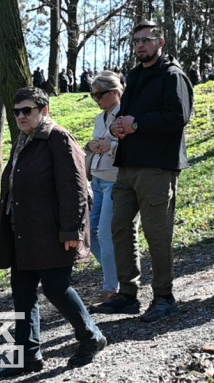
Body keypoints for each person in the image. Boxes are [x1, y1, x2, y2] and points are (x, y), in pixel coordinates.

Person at [0, 87, 105, 376]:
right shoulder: (23, 141)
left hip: (53, 232)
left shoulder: (57, 138)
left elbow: (76, 189)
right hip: (22, 234)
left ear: (44, 110)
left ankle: (90, 337)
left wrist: (71, 230)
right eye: (16, 111)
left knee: (56, 287)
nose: (20, 116)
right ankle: (28, 357)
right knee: (22, 294)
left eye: (27, 110)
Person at [92, 21, 194, 323]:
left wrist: (137, 124)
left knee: (157, 234)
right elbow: (124, 114)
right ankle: (127, 294)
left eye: (146, 40)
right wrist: (118, 125)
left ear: (160, 42)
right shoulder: (133, 77)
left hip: (158, 167)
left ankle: (164, 296)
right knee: (119, 228)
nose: (140, 45)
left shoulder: (173, 76)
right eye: (136, 41)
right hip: (127, 165)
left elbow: (178, 117)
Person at [84, 71, 123, 304]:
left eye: (100, 94)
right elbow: (94, 145)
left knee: (106, 234)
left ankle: (112, 287)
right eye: (93, 95)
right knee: (89, 234)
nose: (97, 100)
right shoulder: (101, 118)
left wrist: (109, 146)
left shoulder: (126, 114)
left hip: (114, 180)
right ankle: (115, 275)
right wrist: (91, 146)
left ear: (115, 92)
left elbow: (127, 146)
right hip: (96, 179)